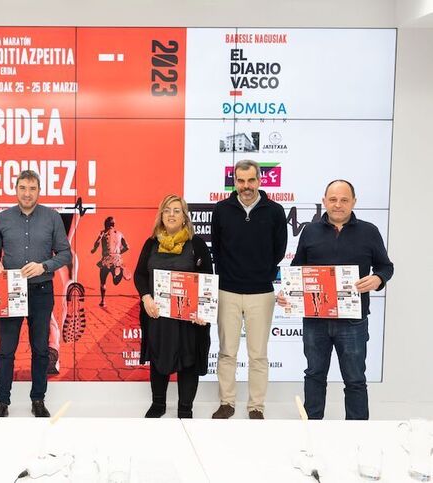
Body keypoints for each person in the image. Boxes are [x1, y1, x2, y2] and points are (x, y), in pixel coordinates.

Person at [278, 180, 393, 420]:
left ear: (354, 202)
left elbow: (386, 266)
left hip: (353, 321)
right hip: (315, 319)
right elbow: (297, 269)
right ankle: (312, 428)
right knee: (314, 375)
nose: (338, 205)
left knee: (355, 379)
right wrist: (287, 292)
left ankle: (357, 432)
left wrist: (378, 279)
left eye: (344, 200)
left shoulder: (369, 231)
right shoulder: (310, 231)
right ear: (324, 201)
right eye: (333, 199)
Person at [0, 170, 72, 417]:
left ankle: (38, 400)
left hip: (41, 291)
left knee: (41, 349)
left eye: (32, 188)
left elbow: (65, 253)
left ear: (39, 191)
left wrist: (44, 266)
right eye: (22, 188)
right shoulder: (3, 218)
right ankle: (2, 401)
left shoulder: (52, 217)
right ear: (16, 190)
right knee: (6, 350)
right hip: (10, 291)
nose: (27, 193)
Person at [211, 159, 287, 420]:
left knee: (258, 355)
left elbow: (279, 251)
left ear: (260, 180)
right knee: (227, 352)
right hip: (228, 291)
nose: (246, 186)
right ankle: (227, 403)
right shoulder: (221, 210)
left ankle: (256, 406)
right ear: (234, 182)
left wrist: (260, 273)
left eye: (251, 180)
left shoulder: (275, 211)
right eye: (241, 181)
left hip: (261, 293)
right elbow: (217, 249)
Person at [134, 195, 213, 418]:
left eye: (177, 210)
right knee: (159, 358)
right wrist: (146, 298)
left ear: (184, 217)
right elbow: (140, 275)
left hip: (189, 319)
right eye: (167, 210)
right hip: (159, 316)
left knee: (189, 360)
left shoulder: (196, 244)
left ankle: (185, 408)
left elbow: (208, 278)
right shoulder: (151, 243)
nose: (171, 215)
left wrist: (203, 311)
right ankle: (158, 404)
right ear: (161, 216)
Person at [91, 216, 131, 307]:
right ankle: (119, 272)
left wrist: (93, 249)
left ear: (106, 225)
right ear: (113, 225)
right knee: (115, 282)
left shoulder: (103, 233)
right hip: (117, 259)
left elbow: (97, 244)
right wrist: (119, 252)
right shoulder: (120, 233)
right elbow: (127, 247)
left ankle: (103, 301)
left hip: (106, 259)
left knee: (103, 282)